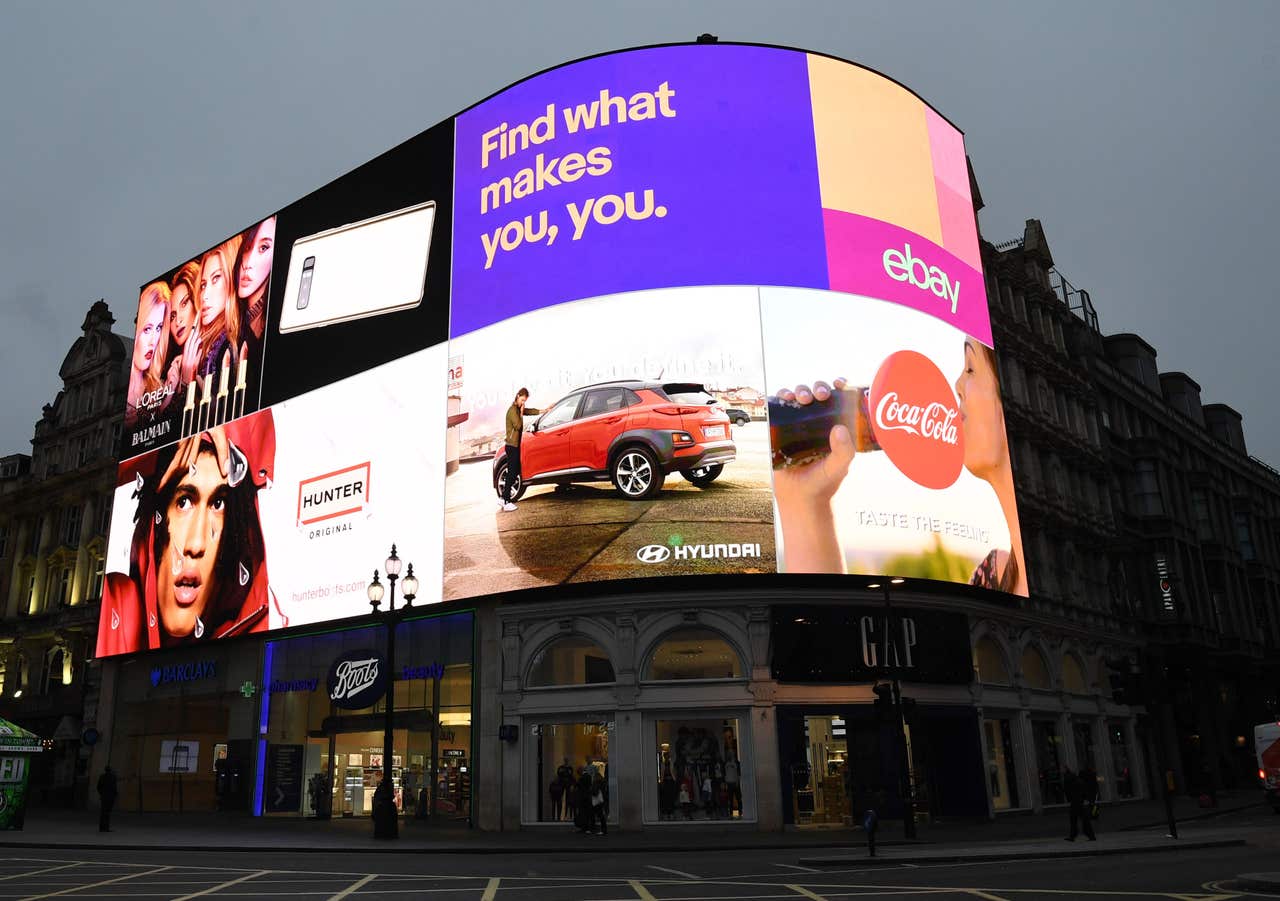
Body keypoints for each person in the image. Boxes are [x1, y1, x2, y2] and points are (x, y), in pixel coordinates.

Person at [770, 337, 1027, 595]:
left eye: (970, 368)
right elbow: (827, 629)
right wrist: (805, 504)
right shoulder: (994, 575)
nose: (957, 384)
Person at [97, 416, 275, 656]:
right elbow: (110, 465)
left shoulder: (260, 627)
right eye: (183, 501)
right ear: (155, 518)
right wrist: (181, 418)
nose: (196, 543)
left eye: (219, 504)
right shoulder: (116, 607)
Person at [125, 282, 173, 429]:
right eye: (147, 329)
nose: (154, 340)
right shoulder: (120, 391)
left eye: (158, 328)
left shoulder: (160, 389)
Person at [195, 235, 243, 381]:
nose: (204, 296)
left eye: (216, 278)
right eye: (203, 285)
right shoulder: (205, 347)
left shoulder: (232, 345)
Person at [499, 388, 541, 512]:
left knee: (515, 470)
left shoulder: (518, 409)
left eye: (525, 401)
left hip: (515, 446)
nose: (523, 403)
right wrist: (522, 412)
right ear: (518, 396)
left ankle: (503, 498)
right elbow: (517, 426)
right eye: (522, 400)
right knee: (513, 471)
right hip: (511, 446)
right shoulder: (513, 410)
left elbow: (530, 411)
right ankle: (506, 500)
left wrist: (545, 410)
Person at [166, 261, 203, 388]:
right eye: (172, 316)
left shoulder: (218, 354)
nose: (177, 321)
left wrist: (188, 383)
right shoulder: (172, 372)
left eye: (184, 303)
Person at [1063, 768, 1095, 841]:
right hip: (1079, 801)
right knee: (1081, 818)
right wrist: (1085, 798)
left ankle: (1074, 835)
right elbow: (1084, 790)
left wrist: (1070, 798)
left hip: (1075, 802)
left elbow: (1067, 790)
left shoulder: (1069, 779)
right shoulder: (1078, 780)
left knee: (1074, 818)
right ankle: (1089, 835)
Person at [97, 765, 118, 832]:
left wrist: (101, 793)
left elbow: (98, 787)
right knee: (108, 813)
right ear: (110, 770)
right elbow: (114, 788)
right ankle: (106, 827)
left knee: (103, 812)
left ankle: (101, 827)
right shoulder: (113, 777)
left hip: (104, 797)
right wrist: (115, 795)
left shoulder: (102, 776)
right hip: (110, 797)